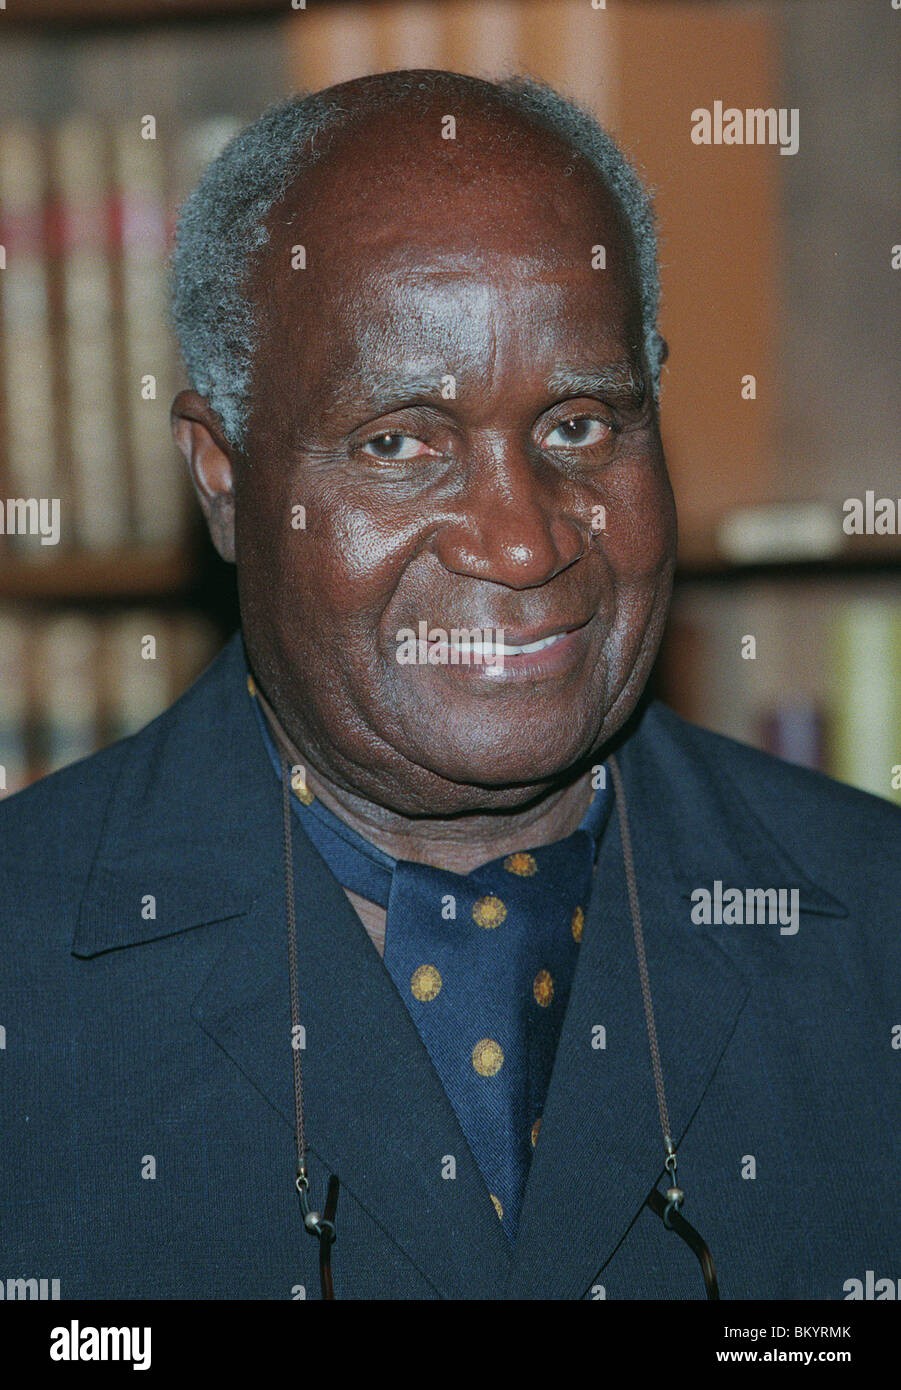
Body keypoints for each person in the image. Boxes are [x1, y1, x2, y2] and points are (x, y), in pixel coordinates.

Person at [1, 70, 898, 1301]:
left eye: (580, 424)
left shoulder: (874, 932)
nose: (522, 542)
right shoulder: (25, 963)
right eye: (398, 443)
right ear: (220, 473)